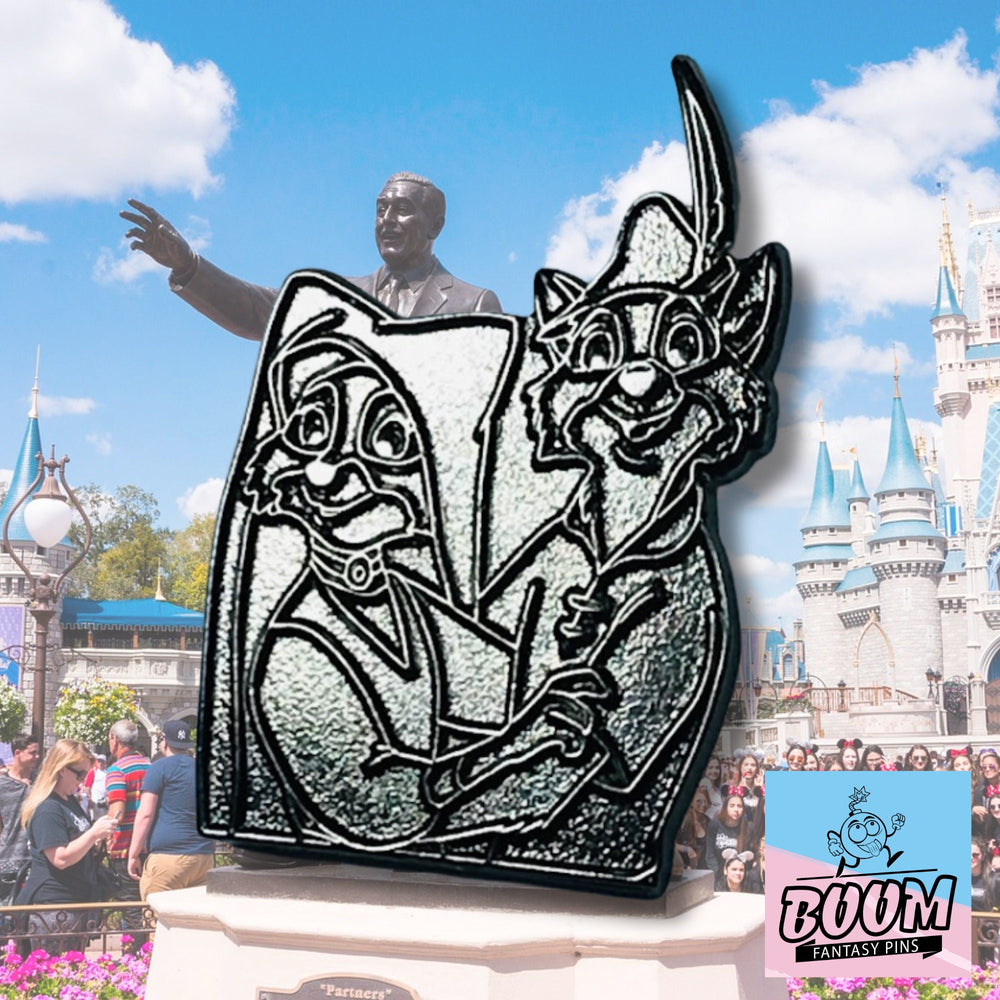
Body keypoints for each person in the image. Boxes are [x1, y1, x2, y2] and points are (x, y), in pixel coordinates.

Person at [120, 173, 501, 341]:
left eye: (402, 210)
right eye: (380, 209)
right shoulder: (337, 297)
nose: (386, 220)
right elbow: (259, 311)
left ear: (435, 225)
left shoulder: (473, 303)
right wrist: (188, 266)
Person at [15, 740, 117, 954]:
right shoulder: (48, 808)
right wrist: (93, 834)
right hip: (53, 907)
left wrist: (97, 839)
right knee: (52, 971)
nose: (83, 780)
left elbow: (76, 842)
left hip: (74, 901)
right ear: (61, 769)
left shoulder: (68, 800)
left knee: (69, 970)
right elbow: (59, 858)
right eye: (80, 774)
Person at [127, 720, 214, 897]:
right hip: (203, 856)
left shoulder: (159, 768)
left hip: (168, 857)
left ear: (165, 742)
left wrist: (133, 855)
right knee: (193, 913)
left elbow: (145, 814)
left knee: (155, 911)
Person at [105, 720, 150, 942]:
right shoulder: (151, 767)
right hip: (149, 847)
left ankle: (134, 954)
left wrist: (104, 836)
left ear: (115, 740)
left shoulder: (116, 770)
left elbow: (117, 811)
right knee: (146, 906)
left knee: (130, 908)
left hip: (124, 849)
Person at [0, 734, 39, 891]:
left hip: (37, 860)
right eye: (32, 753)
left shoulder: (41, 782)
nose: (37, 757)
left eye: (37, 753)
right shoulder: (3, 785)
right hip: (8, 860)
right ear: (18, 753)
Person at [83, 754, 108, 821]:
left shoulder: (108, 772)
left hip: (105, 801)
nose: (100, 763)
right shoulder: (93, 772)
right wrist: (90, 797)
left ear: (105, 762)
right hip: (95, 800)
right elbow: (87, 786)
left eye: (102, 761)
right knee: (96, 819)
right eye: (99, 761)